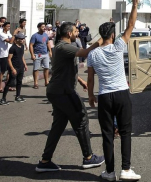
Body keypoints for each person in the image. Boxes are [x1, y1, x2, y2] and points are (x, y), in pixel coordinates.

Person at [36, 22, 104, 173]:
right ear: (68, 34)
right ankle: (88, 157)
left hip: (58, 91)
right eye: (75, 31)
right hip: (63, 92)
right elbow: (85, 53)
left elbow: (62, 69)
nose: (77, 33)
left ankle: (45, 161)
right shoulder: (63, 47)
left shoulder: (63, 48)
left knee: (58, 125)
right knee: (81, 119)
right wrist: (102, 40)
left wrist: (80, 80)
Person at [87, 0, 142, 181]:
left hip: (104, 96)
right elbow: (131, 25)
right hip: (121, 94)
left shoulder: (93, 54)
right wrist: (135, 4)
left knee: (107, 135)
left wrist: (91, 96)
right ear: (112, 35)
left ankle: (109, 172)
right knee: (126, 132)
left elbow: (91, 79)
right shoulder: (118, 46)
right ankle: (126, 170)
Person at [0, 33, 28, 105]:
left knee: (19, 82)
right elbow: (9, 59)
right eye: (21, 39)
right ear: (17, 39)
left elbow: (22, 57)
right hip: (14, 67)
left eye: (23, 39)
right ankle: (3, 99)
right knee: (10, 83)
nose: (22, 40)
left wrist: (25, 65)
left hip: (20, 67)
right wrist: (12, 69)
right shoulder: (12, 48)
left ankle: (17, 96)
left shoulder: (21, 47)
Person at [29, 23, 52, 89]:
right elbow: (31, 45)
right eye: (42, 27)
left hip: (45, 54)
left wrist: (50, 51)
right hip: (37, 54)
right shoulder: (34, 36)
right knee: (36, 69)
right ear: (38, 28)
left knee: (46, 68)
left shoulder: (45, 35)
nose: (44, 28)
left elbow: (47, 43)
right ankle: (36, 83)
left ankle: (46, 82)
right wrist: (32, 54)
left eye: (44, 27)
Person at [0, 22, 17, 93]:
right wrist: (14, 34)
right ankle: (0, 87)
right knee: (2, 71)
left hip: (9, 54)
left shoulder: (9, 34)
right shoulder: (1, 34)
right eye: (7, 26)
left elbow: (14, 40)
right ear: (3, 27)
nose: (9, 27)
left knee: (10, 71)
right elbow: (10, 41)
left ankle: (9, 85)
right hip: (3, 55)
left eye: (9, 26)